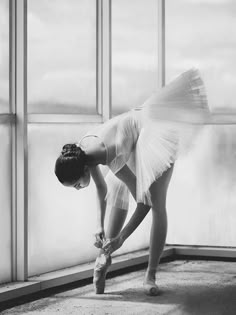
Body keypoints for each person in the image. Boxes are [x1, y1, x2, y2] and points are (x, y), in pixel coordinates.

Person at [54, 68, 210, 296]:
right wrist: (99, 225)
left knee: (157, 202)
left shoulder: (111, 157)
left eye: (76, 184)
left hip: (154, 132)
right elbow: (101, 188)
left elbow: (143, 202)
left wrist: (121, 239)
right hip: (131, 135)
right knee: (116, 189)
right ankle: (103, 260)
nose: (78, 188)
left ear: (83, 168)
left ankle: (151, 274)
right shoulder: (82, 150)